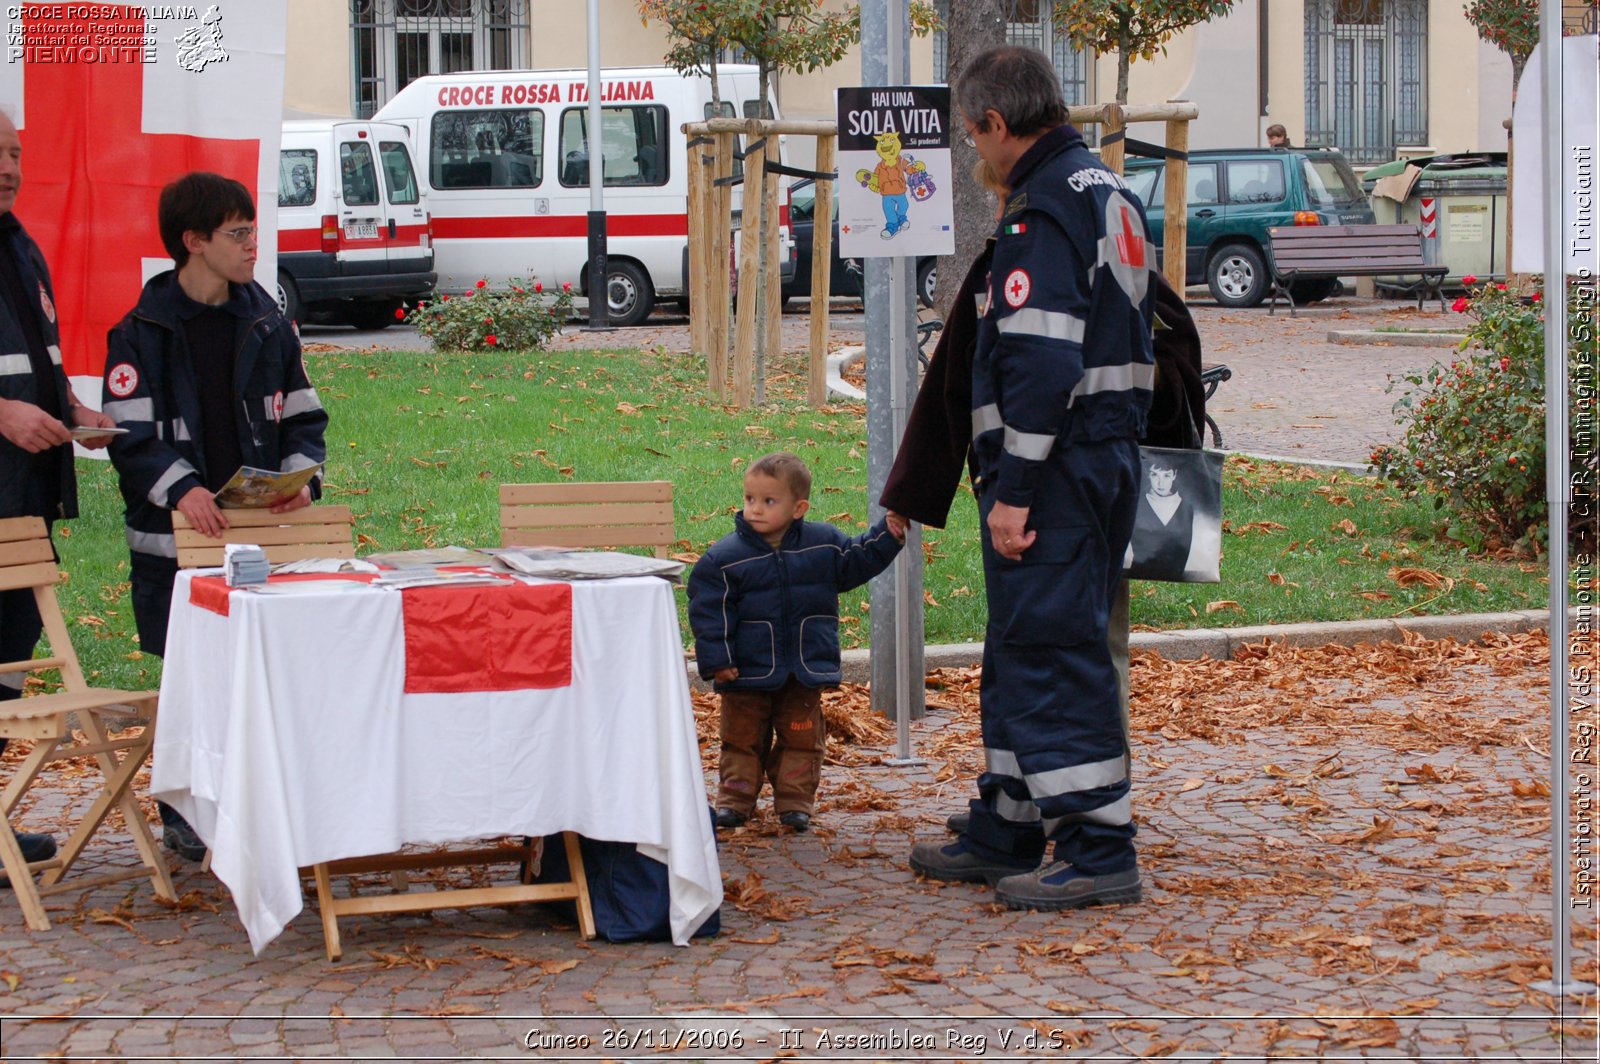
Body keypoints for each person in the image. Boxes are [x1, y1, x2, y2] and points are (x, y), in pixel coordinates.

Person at [896, 45, 1157, 911]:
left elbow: (1042, 362)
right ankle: (1009, 818)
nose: (975, 153)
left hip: (1055, 470)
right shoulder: (1105, 189)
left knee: (1052, 649)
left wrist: (1013, 490)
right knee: (1020, 648)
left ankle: (1095, 845)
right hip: (1099, 455)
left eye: (974, 135)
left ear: (998, 125)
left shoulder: (1043, 209)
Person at [102, 172, 328, 861]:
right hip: (175, 549)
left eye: (252, 230)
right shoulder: (139, 332)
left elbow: (306, 414)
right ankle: (184, 808)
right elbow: (130, 436)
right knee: (191, 679)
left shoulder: (266, 320)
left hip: (258, 537)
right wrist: (182, 490)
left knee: (264, 673)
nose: (252, 245)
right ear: (193, 242)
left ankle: (271, 803)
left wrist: (304, 478)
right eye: (238, 234)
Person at [0, 108, 119, 870]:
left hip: (24, 495)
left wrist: (73, 410)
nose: (10, 167)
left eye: (15, 152)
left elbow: (37, 360)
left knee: (8, 661)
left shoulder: (21, 246)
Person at [688, 452, 903, 833]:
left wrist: (887, 535)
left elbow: (858, 559)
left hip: (803, 670)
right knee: (740, 741)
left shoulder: (823, 545)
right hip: (745, 674)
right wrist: (717, 660)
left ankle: (794, 803)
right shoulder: (724, 560)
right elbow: (709, 613)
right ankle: (735, 801)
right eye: (750, 499)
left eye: (769, 501)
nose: (755, 509)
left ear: (799, 507)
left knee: (802, 740)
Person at [1127, 455, 1195, 575]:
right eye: (1155, 475)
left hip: (1177, 573)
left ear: (1174, 475)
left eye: (1166, 475)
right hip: (1139, 569)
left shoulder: (1186, 505)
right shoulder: (1137, 500)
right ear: (1148, 474)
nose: (1160, 483)